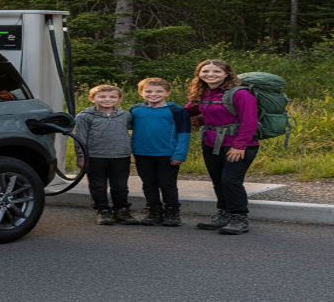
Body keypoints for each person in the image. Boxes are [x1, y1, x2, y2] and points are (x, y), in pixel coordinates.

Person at [185, 59, 258, 235]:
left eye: (216, 71)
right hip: (211, 144)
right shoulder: (203, 93)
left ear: (227, 73)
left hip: (238, 145)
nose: (210, 75)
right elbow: (186, 111)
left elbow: (250, 121)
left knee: (230, 181)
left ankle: (239, 217)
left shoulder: (240, 94)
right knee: (218, 180)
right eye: (205, 71)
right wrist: (154, 110)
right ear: (199, 74)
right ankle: (224, 214)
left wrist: (240, 146)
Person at [129, 78, 191, 226]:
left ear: (167, 93)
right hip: (142, 153)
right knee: (148, 184)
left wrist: (180, 154)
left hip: (167, 154)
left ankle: (172, 212)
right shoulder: (135, 110)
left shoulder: (177, 111)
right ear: (141, 93)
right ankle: (154, 212)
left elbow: (184, 134)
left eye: (159, 91)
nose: (153, 94)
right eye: (148, 91)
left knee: (167, 184)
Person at [74, 84, 137, 225]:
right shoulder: (85, 116)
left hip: (121, 156)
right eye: (102, 96)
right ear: (92, 98)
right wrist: (81, 156)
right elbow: (80, 138)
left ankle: (121, 210)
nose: (107, 99)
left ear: (119, 99)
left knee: (120, 185)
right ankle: (103, 210)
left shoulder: (125, 115)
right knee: (98, 185)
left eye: (112, 97)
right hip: (95, 156)